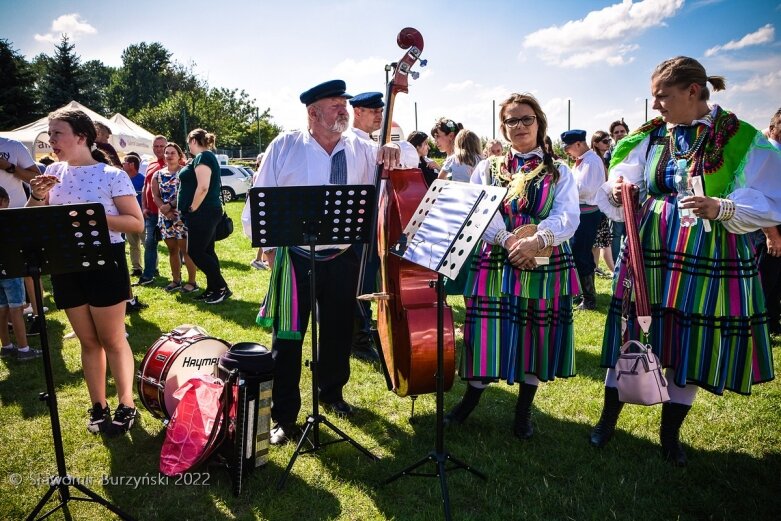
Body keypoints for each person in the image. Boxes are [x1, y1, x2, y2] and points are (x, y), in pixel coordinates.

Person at [590, 56, 781, 466]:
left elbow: (773, 200)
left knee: (691, 340)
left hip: (708, 251)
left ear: (693, 91)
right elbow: (619, 179)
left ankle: (670, 435)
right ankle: (608, 419)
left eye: (663, 96)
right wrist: (621, 187)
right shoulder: (651, 136)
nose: (656, 105)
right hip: (651, 247)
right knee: (632, 329)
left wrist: (723, 207)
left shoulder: (740, 137)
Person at [241, 79, 418, 445]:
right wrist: (270, 249)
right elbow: (258, 200)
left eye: (345, 104)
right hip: (294, 258)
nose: (344, 110)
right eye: (336, 105)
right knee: (286, 339)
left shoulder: (362, 146)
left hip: (342, 257)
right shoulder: (285, 146)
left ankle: (332, 394)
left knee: (339, 332)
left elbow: (412, 161)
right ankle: (283, 415)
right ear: (313, 112)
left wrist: (394, 147)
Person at [445, 93, 580, 440]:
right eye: (512, 121)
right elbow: (477, 211)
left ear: (539, 122)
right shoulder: (487, 168)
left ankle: (523, 412)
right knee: (486, 331)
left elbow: (567, 215)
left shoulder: (559, 169)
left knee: (535, 331)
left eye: (527, 119)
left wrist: (538, 240)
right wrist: (506, 239)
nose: (519, 126)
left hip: (544, 257)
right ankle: (469, 403)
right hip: (495, 256)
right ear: (503, 127)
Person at [27, 108, 143, 435]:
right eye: (50, 134)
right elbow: (31, 222)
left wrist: (91, 216)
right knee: (87, 341)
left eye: (57, 133)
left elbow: (135, 223)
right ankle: (98, 405)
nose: (51, 140)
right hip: (65, 265)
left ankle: (126, 403)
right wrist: (37, 196)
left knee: (113, 339)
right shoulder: (50, 172)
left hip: (106, 261)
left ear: (81, 137)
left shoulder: (111, 175)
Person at [178, 128, 231, 305]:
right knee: (207, 251)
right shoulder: (204, 157)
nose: (188, 148)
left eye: (188, 144)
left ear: (193, 141)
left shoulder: (203, 157)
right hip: (206, 211)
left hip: (203, 212)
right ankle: (213, 288)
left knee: (195, 251)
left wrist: (192, 208)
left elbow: (203, 187)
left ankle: (222, 287)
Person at [1, 136, 45, 334]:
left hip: (18, 214)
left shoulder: (12, 146)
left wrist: (8, 166)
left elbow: (36, 179)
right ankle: (8, 319)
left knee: (29, 269)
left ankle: (38, 315)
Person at [562, 129, 606, 310]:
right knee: (576, 253)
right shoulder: (581, 162)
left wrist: (565, 190)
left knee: (582, 254)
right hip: (579, 213)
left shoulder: (592, 161)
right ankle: (580, 293)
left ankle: (589, 299)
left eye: (568, 148)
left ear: (579, 144)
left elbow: (586, 189)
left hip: (588, 214)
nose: (567, 152)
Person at [0, 186, 41, 362]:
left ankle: (6, 346)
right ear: (2, 201)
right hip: (11, 268)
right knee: (16, 309)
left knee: (1, 309)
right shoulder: (8, 220)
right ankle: (24, 349)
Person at [151, 142, 198, 293]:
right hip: (165, 218)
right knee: (172, 250)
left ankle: (192, 282)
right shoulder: (157, 174)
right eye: (167, 153)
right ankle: (176, 280)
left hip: (181, 217)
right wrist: (164, 210)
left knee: (186, 250)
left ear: (179, 156)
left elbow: (187, 193)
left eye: (172, 153)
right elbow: (155, 196)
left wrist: (170, 206)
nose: (169, 156)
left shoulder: (184, 173)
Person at [752, 108, 781, 334]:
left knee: (776, 280)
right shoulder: (765, 155)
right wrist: (771, 234)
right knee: (764, 279)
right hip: (767, 227)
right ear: (772, 129)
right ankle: (757, 324)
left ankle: (772, 322)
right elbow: (757, 196)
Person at [137, 135, 167, 286]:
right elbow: (145, 186)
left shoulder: (174, 162)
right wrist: (144, 206)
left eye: (162, 146)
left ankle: (181, 278)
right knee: (149, 243)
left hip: (168, 212)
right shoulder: (151, 163)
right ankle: (148, 274)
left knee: (175, 246)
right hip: (151, 212)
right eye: (156, 146)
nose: (159, 149)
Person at [590, 131, 615, 277]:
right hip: (597, 206)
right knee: (601, 242)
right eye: (605, 141)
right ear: (595, 143)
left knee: (600, 242)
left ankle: (597, 269)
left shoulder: (601, 159)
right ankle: (613, 270)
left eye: (609, 140)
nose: (608, 143)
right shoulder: (595, 160)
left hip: (601, 206)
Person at [605, 120, 630, 263]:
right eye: (616, 132)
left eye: (622, 131)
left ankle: (629, 265)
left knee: (630, 233)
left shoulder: (635, 148)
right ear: (612, 136)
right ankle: (616, 267)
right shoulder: (610, 154)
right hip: (615, 199)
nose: (620, 134)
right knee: (616, 234)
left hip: (632, 198)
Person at [121, 154, 145, 277]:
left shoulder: (143, 180)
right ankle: (137, 268)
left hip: (142, 217)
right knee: (133, 244)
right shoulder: (123, 179)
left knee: (147, 244)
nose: (122, 164)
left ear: (131, 165)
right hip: (128, 217)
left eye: (124, 162)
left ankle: (153, 268)